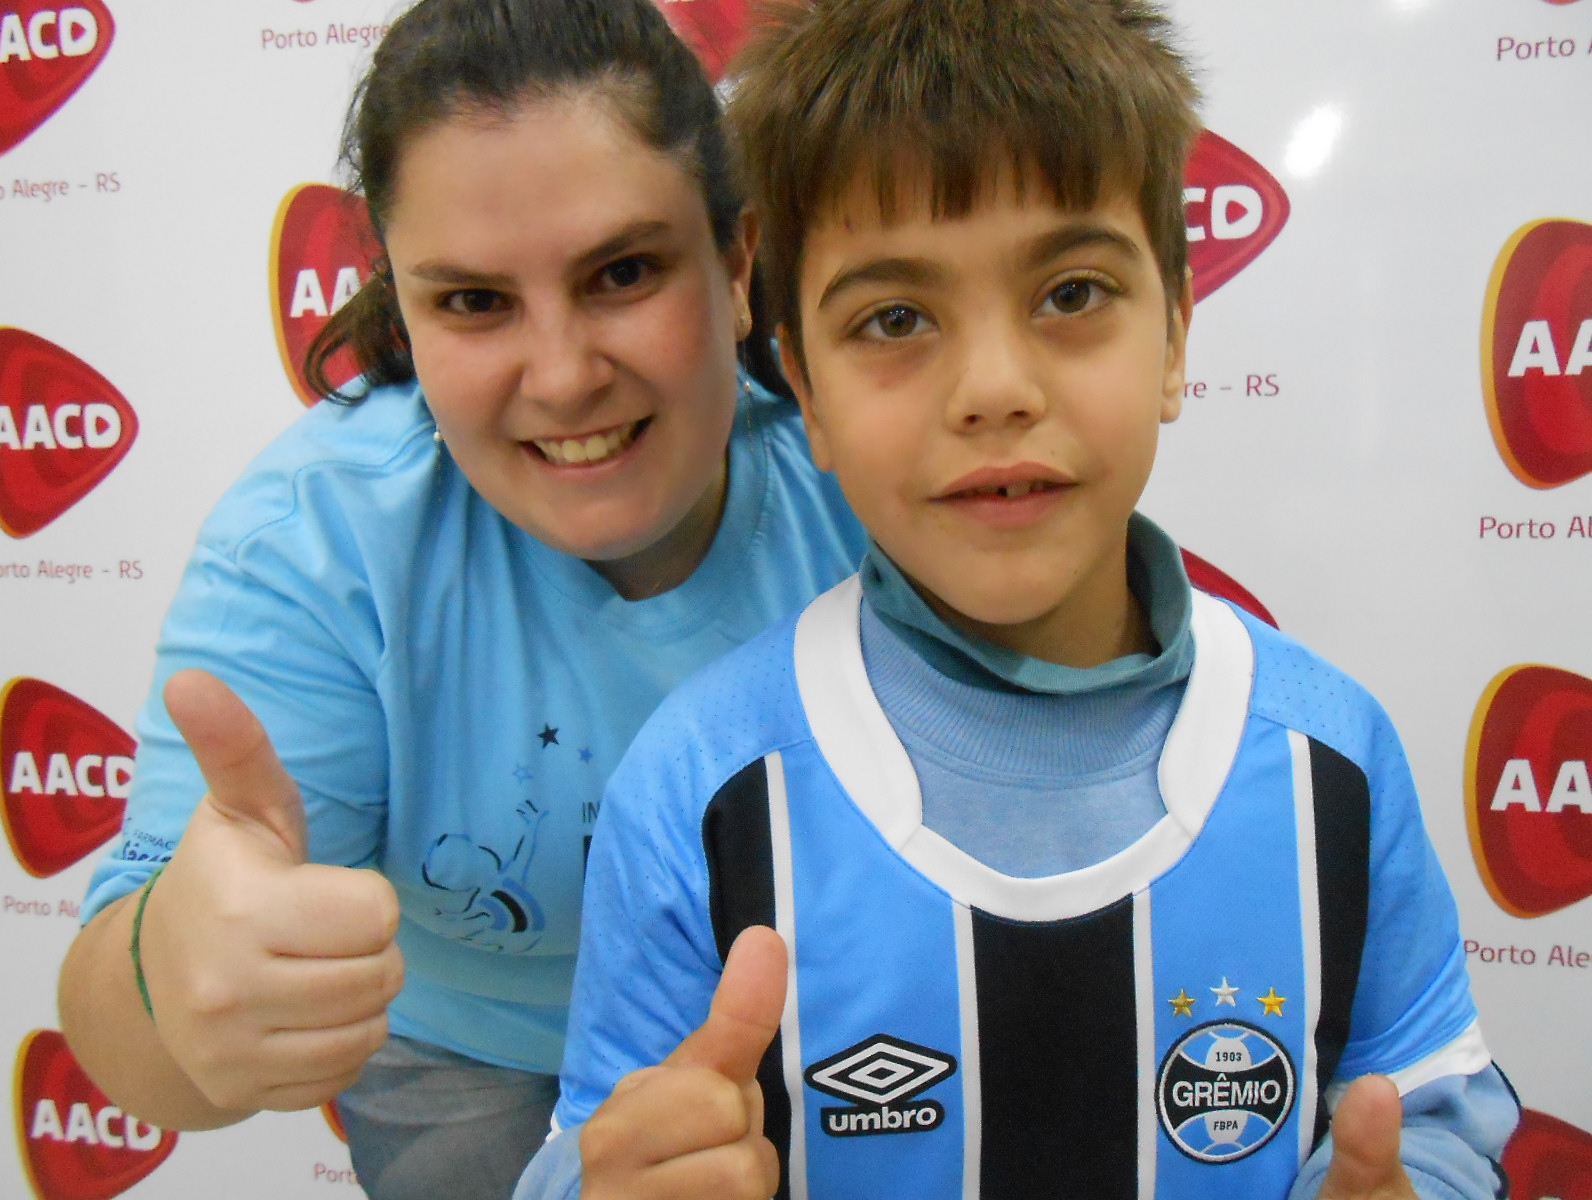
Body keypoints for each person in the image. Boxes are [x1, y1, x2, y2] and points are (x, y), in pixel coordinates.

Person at [514, 1, 1522, 1197]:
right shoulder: (701, 788)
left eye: (1072, 293)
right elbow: (598, 1153)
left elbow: (1435, 1120)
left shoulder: (1331, 760)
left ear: (1176, 335)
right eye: (895, 319)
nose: (993, 388)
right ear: (809, 395)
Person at [55, 1, 866, 1197]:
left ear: (737, 264)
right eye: (474, 302)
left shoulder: (860, 474)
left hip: (796, 1022)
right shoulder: (321, 542)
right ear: (407, 308)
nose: (562, 376)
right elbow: (119, 1019)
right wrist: (171, 987)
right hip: (463, 1057)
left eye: (625, 272)